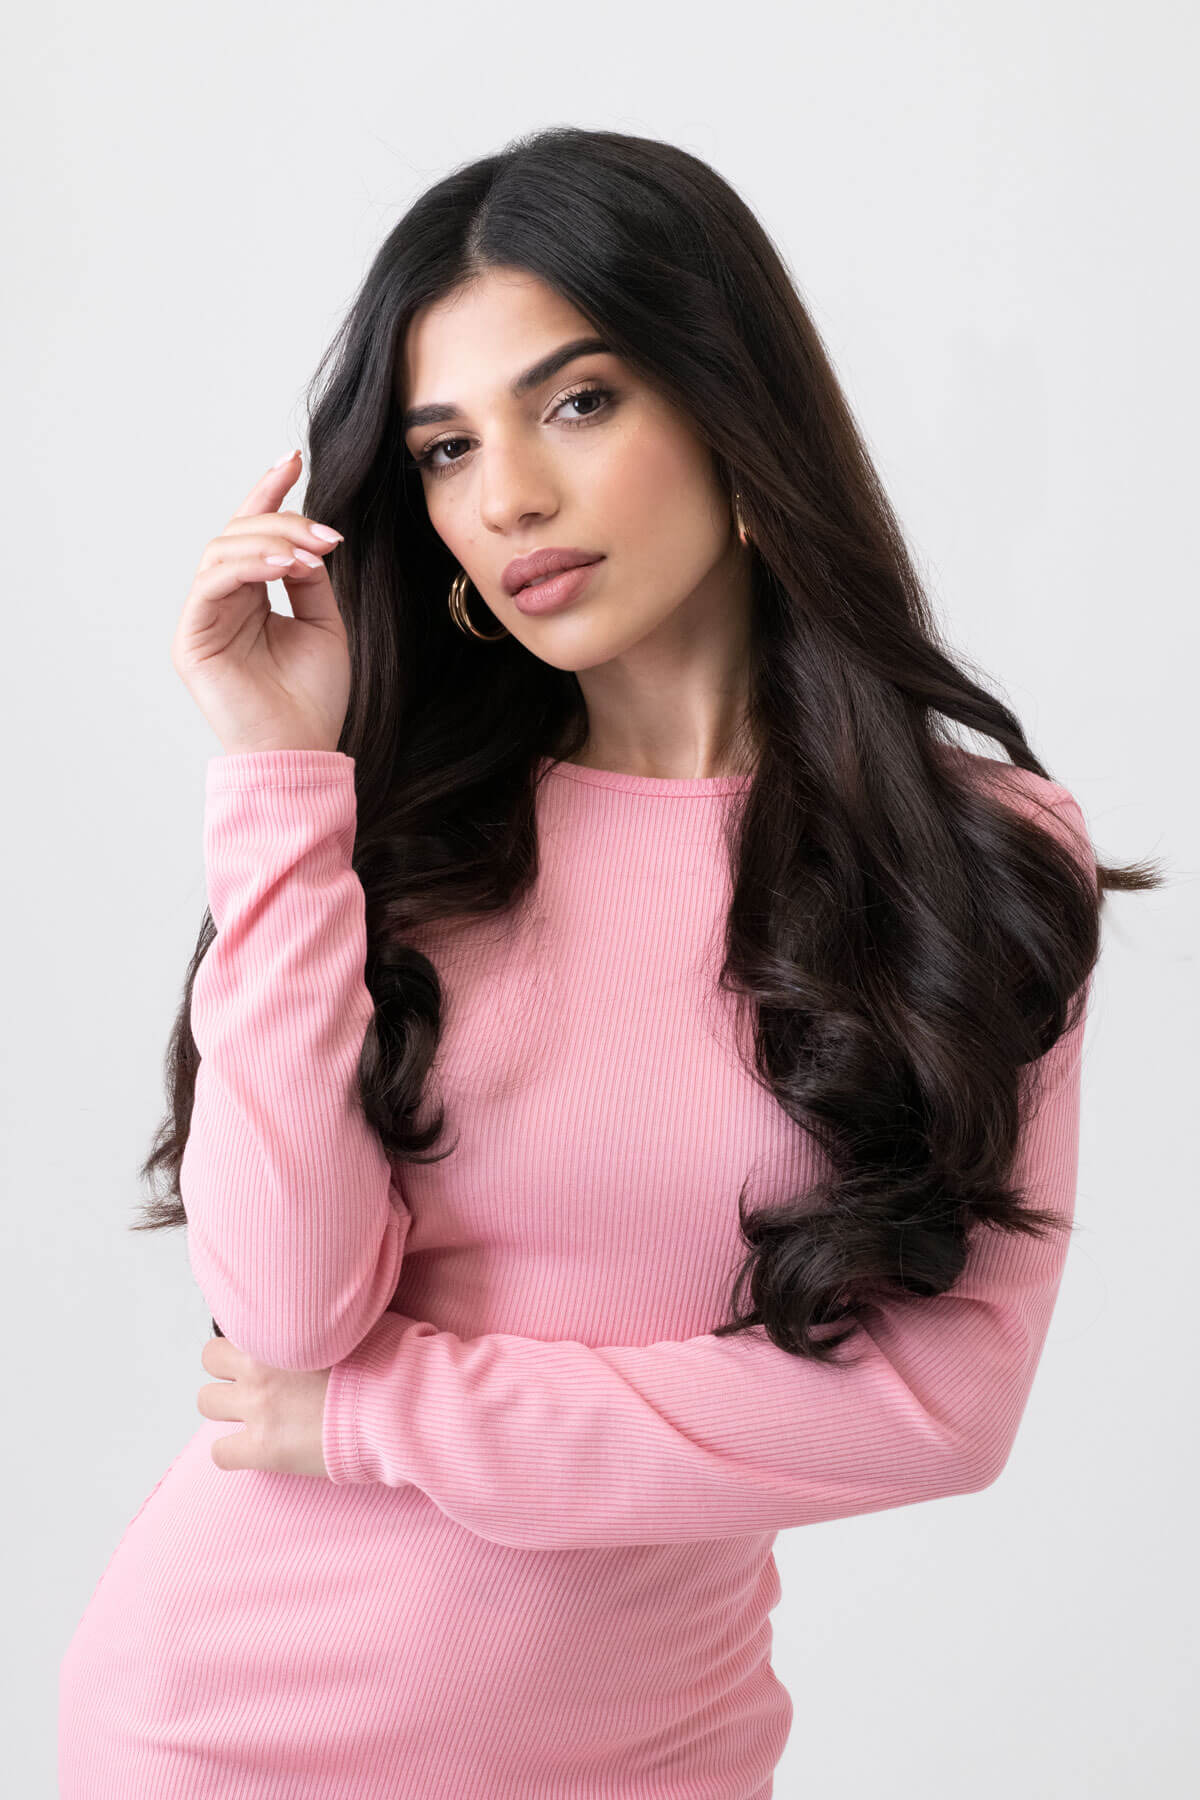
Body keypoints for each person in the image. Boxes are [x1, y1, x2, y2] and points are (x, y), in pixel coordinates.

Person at [58, 126, 1157, 1798]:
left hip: (654, 1751)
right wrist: (281, 778)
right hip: (226, 1728)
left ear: (730, 409)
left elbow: (932, 1413)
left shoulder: (976, 861)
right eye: (442, 448)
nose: (506, 497)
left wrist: (380, 1419)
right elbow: (284, 1308)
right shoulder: (405, 838)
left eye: (577, 403)